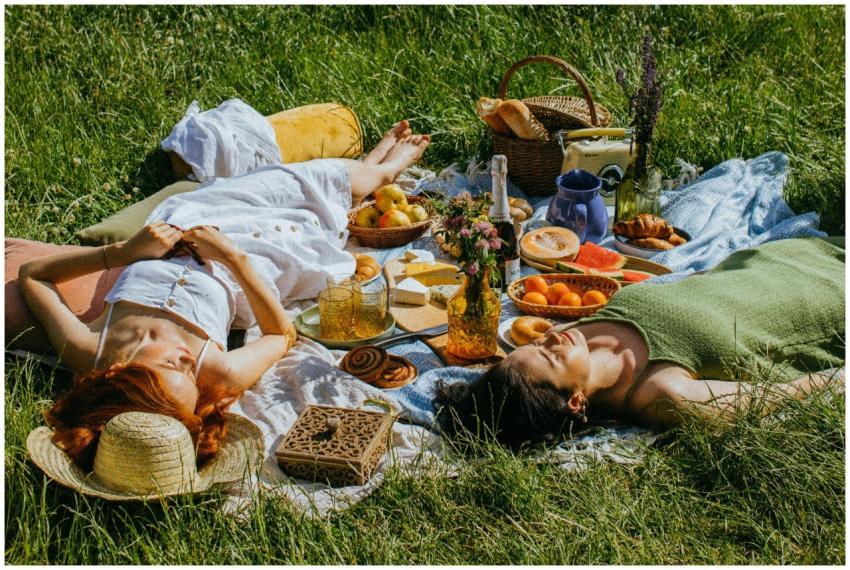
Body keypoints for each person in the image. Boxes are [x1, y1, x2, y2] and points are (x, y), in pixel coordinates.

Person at [20, 121, 430, 470]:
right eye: (189, 376)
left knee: (296, 180)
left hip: (191, 219)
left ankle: (368, 171)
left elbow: (33, 275)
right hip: (250, 260)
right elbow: (279, 335)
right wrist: (234, 259)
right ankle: (382, 171)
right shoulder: (215, 371)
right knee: (317, 220)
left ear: (119, 376)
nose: (185, 360)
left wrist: (124, 253)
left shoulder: (90, 349)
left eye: (171, 368)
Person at [435, 237, 845, 448]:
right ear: (576, 401)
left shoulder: (583, 335)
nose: (552, 335)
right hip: (832, 295)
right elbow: (789, 392)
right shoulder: (663, 394)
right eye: (550, 355)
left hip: (778, 257)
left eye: (538, 341)